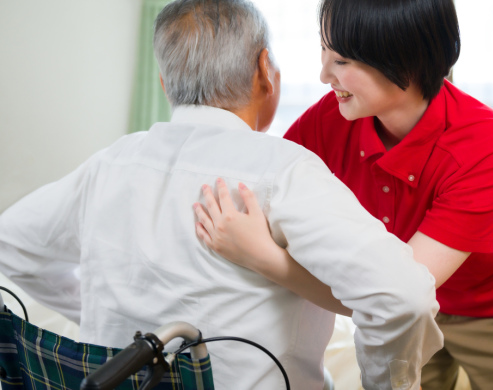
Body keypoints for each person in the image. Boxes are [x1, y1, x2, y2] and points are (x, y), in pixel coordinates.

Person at [0, 0, 442, 389]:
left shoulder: (112, 161)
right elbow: (402, 297)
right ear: (265, 72)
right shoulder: (283, 169)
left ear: (163, 83)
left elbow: (11, 245)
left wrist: (107, 326)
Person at [194, 0, 493, 389]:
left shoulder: (486, 146)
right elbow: (261, 184)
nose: (324, 75)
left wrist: (263, 257)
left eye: (342, 62)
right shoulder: (329, 120)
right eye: (324, 51)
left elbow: (395, 296)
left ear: (404, 61)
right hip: (414, 305)